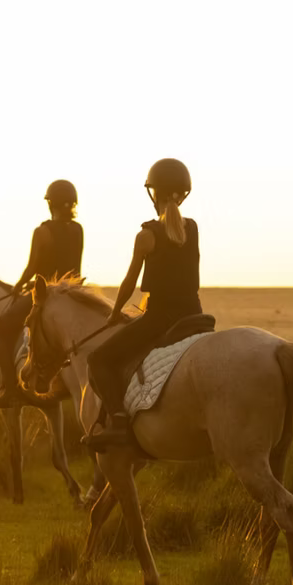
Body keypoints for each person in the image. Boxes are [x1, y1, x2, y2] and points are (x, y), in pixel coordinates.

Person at [85, 158, 201, 449]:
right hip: (195, 315)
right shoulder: (193, 228)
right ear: (183, 193)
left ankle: (119, 421)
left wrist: (114, 314)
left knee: (98, 359)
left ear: (154, 193)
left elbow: (128, 283)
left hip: (161, 318)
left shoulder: (146, 236)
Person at [0, 179, 84, 407]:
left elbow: (32, 268)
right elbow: (76, 270)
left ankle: (10, 390)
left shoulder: (42, 232)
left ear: (50, 203)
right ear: (72, 204)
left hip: (43, 295)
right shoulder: (78, 230)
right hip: (70, 294)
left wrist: (18, 285)